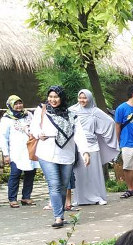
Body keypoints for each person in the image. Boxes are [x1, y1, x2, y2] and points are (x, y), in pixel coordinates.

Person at [30, 85, 89, 228]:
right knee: (55, 184)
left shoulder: (71, 115)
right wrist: (39, 134)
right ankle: (58, 217)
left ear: (62, 98)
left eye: (56, 97)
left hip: (66, 155)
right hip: (47, 152)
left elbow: (79, 134)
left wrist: (85, 151)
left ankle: (60, 214)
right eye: (50, 97)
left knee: (63, 186)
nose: (53, 100)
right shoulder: (42, 109)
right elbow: (34, 126)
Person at [69, 88, 119, 206]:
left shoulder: (95, 111)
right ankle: (79, 199)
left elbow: (110, 122)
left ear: (90, 98)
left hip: (92, 145)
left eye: (85, 98)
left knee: (94, 173)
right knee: (79, 174)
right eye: (80, 97)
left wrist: (100, 134)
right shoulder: (72, 110)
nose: (82, 100)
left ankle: (98, 196)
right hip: (78, 146)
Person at [0, 95, 38, 207]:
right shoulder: (6, 119)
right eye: (16, 104)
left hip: (29, 150)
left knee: (30, 173)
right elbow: (3, 137)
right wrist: (6, 153)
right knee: (15, 174)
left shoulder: (28, 115)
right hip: (16, 151)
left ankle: (26, 197)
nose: (19, 106)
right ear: (10, 105)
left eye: (20, 103)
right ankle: (12, 198)